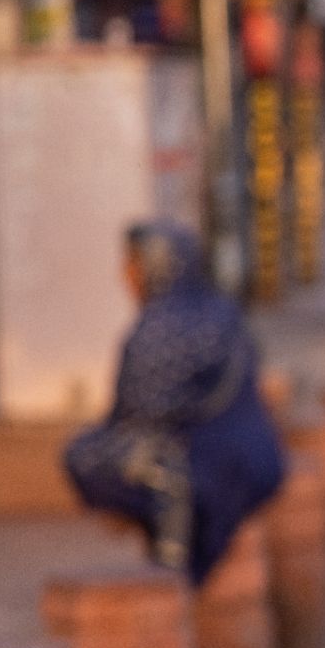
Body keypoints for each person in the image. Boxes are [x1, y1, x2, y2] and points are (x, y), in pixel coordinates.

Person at [65, 222, 286, 585]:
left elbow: (137, 418)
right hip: (258, 461)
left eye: (132, 266)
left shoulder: (159, 330)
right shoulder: (220, 310)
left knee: (91, 455)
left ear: (156, 267)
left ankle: (172, 560)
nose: (126, 277)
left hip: (209, 471)